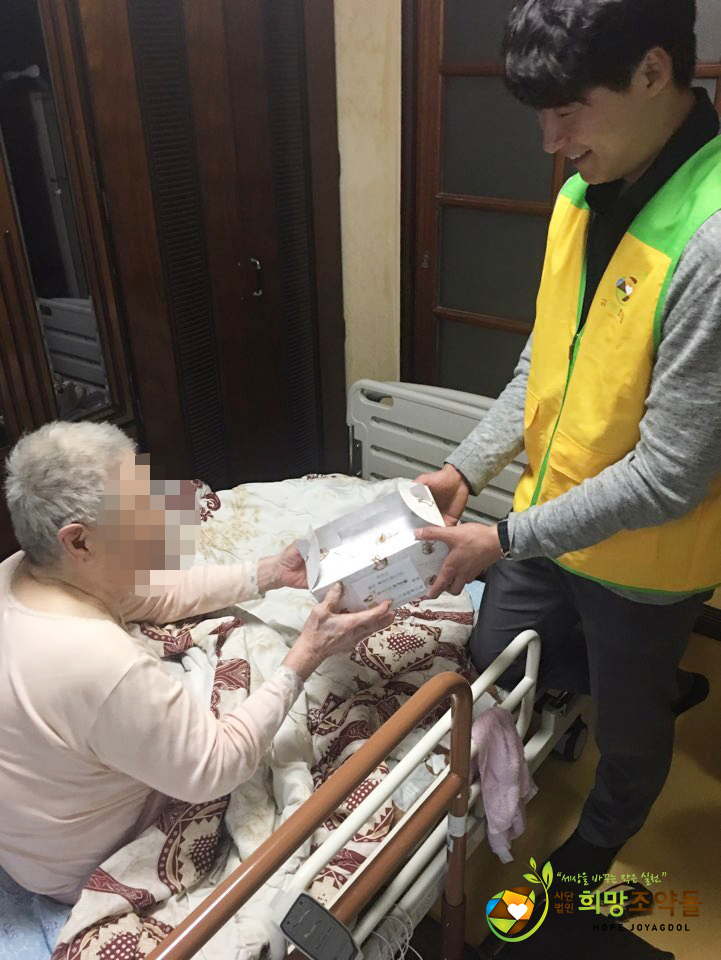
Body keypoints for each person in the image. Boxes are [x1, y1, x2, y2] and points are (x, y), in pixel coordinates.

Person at [416, 0, 720, 895]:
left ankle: (598, 837)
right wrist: (464, 468)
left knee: (629, 727)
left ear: (653, 72)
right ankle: (651, 680)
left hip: (645, 555)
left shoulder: (710, 240)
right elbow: (542, 361)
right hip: (546, 519)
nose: (551, 142)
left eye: (567, 110)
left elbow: (668, 475)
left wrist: (502, 538)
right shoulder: (582, 194)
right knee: (497, 649)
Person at [0, 420, 393, 903]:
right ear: (79, 542)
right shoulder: (99, 662)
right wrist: (308, 653)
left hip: (30, 847)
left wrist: (270, 572)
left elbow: (153, 595)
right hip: (86, 863)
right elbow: (217, 766)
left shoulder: (21, 570)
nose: (160, 517)